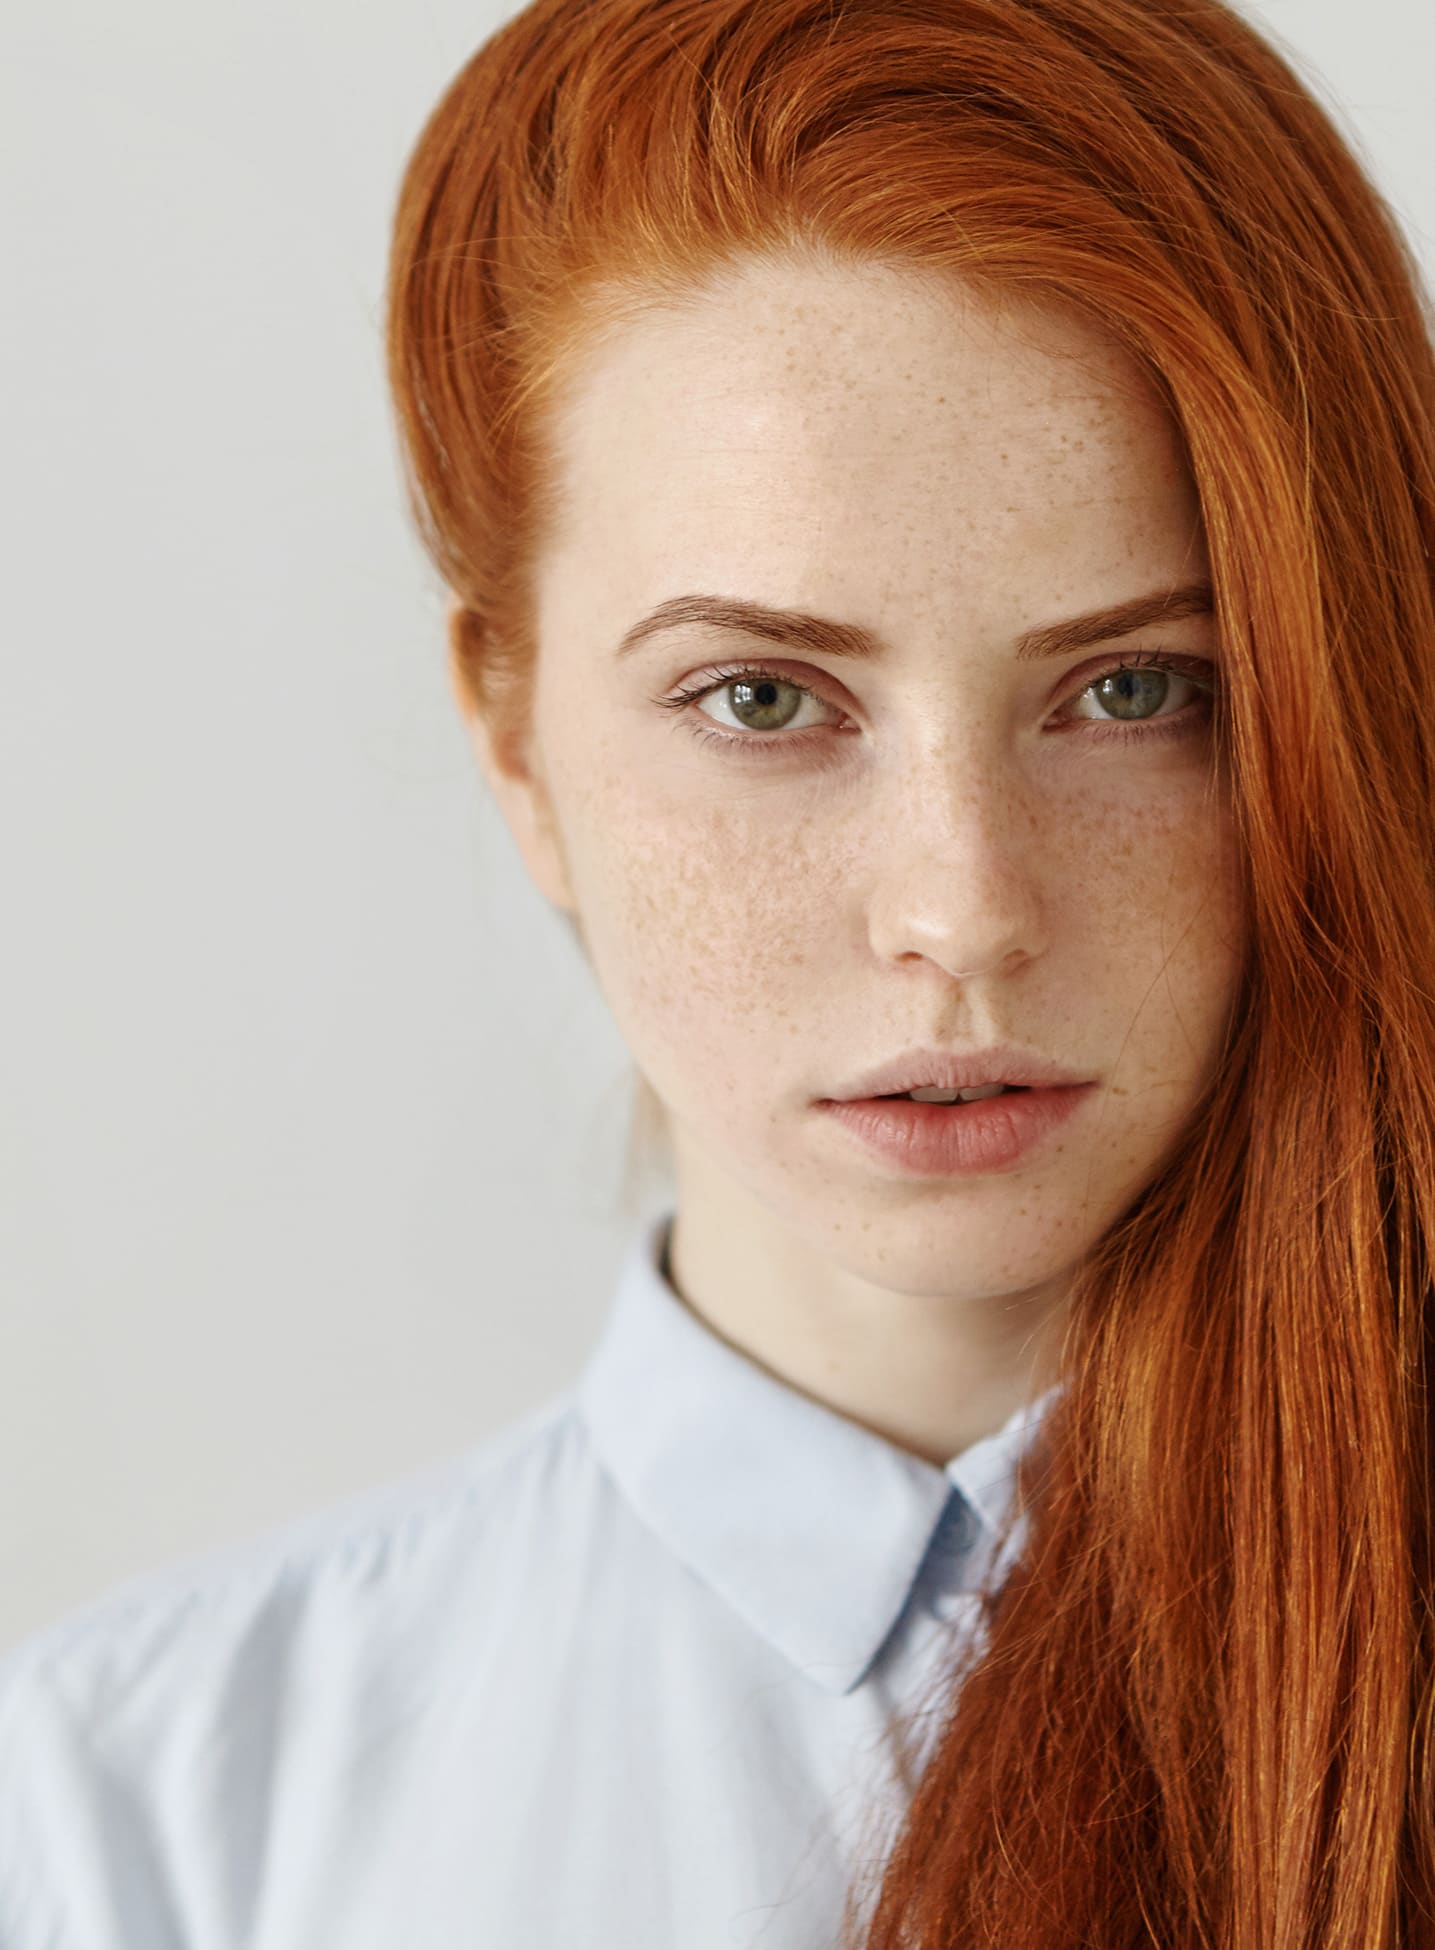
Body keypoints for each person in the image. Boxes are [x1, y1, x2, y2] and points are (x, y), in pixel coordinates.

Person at [5, 0, 1435, 1942]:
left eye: (1133, 689)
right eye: (762, 697)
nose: (961, 910)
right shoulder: (138, 1827)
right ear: (514, 745)